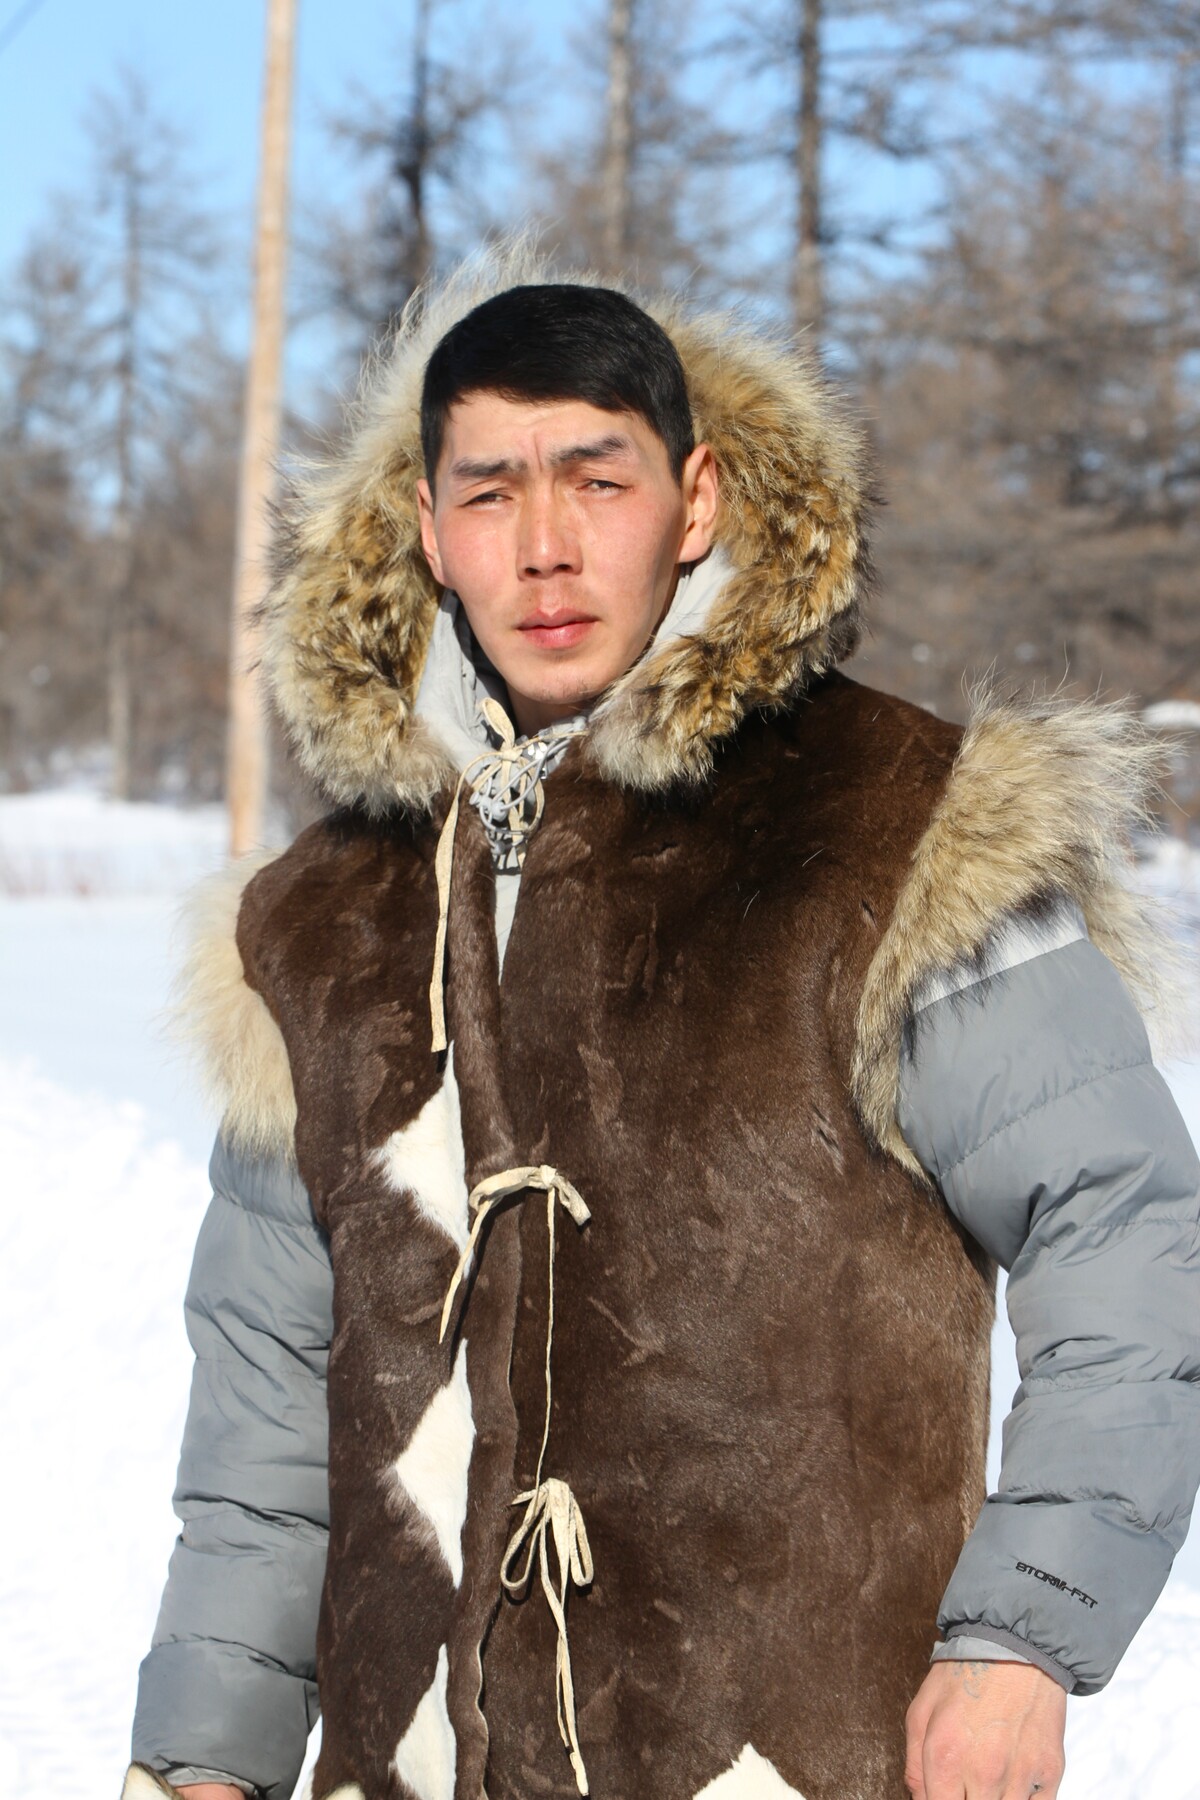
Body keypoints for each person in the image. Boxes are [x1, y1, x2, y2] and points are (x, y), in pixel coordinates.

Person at [124, 262, 1200, 1800]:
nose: (544, 547)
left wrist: (1018, 1641)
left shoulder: (904, 830)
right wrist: (204, 1759)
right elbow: (264, 1402)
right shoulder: (312, 923)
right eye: (490, 492)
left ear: (694, 501)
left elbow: (1125, 1231)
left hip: (810, 1757)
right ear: (429, 527)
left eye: (596, 479)